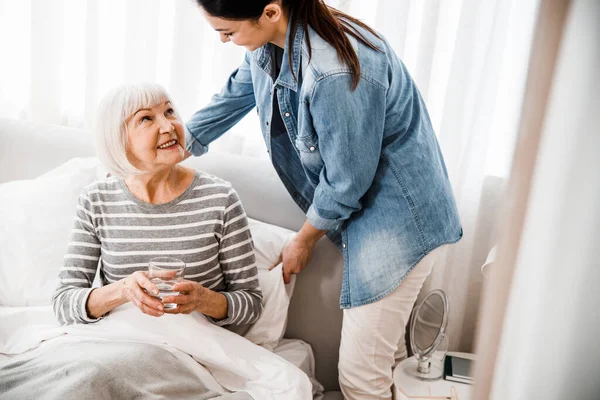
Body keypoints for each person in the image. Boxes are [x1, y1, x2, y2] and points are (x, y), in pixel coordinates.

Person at [185, 1, 462, 398]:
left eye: (228, 32)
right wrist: (180, 142)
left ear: (270, 12)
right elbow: (236, 94)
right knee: (387, 359)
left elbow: (347, 182)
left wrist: (304, 239)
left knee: (360, 377)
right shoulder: (270, 45)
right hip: (374, 214)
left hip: (400, 223)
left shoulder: (332, 70)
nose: (226, 42)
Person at [52, 83, 263, 331]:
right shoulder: (96, 201)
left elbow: (252, 304)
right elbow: (64, 302)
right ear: (119, 139)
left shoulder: (220, 198)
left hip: (195, 348)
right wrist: (123, 290)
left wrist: (203, 300)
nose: (168, 126)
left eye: (170, 112)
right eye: (146, 119)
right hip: (117, 341)